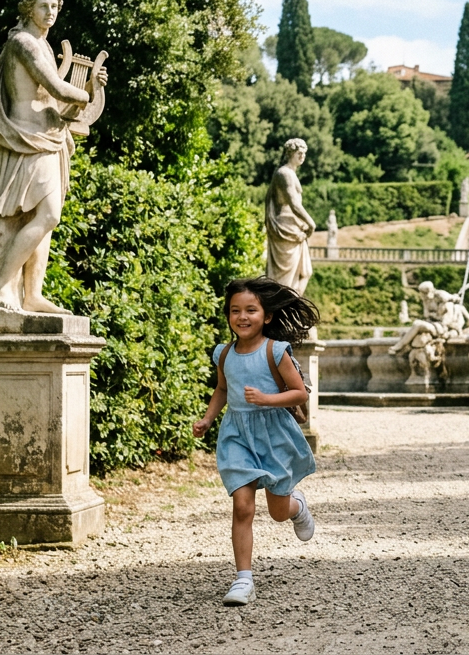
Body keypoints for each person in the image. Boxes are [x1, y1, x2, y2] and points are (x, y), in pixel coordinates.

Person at [0, 0, 106, 314]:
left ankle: (31, 294)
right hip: (28, 139)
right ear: (28, 9)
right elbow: (58, 89)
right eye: (43, 6)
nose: (50, 12)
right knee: (47, 214)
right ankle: (1, 284)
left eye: (54, 7)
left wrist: (89, 86)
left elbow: (52, 98)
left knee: (43, 217)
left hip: (47, 137)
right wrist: (87, 93)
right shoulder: (24, 43)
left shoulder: (43, 46)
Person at [193, 277, 320, 606]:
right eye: (235, 310)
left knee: (277, 512)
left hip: (273, 434)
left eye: (251, 309)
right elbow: (222, 390)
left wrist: (266, 398)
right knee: (243, 506)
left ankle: (297, 506)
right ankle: (243, 579)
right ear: (228, 315)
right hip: (237, 435)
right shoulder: (224, 354)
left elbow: (299, 392)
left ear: (266, 316)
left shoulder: (275, 351)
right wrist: (208, 418)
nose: (242, 316)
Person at [265, 138, 316, 295]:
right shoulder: (284, 173)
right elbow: (294, 204)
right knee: (285, 279)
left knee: (305, 272)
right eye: (299, 153)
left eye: (304, 153)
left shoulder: (290, 173)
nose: (302, 156)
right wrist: (311, 222)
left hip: (294, 227)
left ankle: (291, 307)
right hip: (286, 228)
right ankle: (284, 308)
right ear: (289, 153)